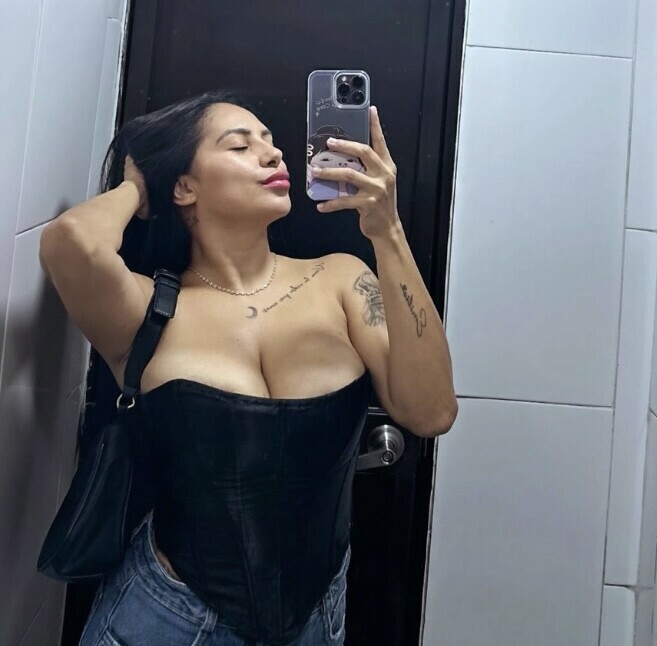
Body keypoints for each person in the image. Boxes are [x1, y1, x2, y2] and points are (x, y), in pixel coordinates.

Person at [39, 88, 457, 645]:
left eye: (270, 141)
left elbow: (431, 412)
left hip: (316, 621)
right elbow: (70, 243)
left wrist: (388, 230)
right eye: (240, 145)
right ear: (185, 188)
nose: (273, 153)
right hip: (166, 620)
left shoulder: (341, 280)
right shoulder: (145, 308)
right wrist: (139, 186)